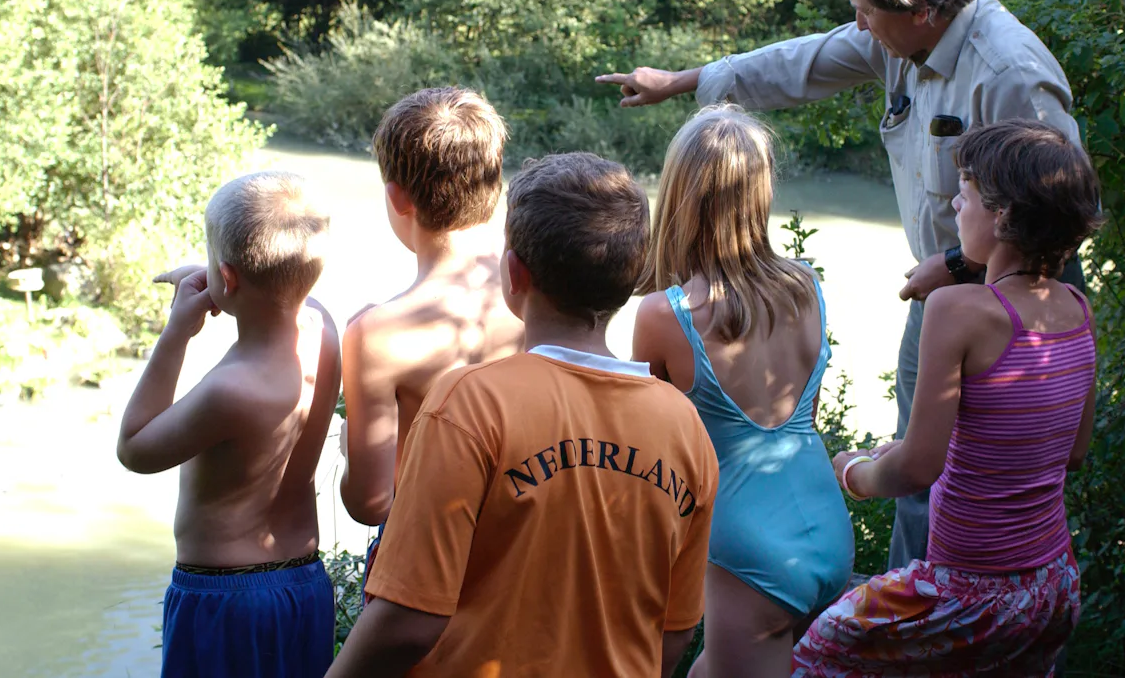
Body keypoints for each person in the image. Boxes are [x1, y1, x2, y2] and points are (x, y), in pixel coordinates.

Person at [597, 0, 1082, 569]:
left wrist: (959, 261)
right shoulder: (896, 39)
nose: (856, 26)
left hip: (1015, 300)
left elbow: (1069, 203)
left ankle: (972, 605)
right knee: (922, 483)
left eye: (863, 11)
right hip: (942, 294)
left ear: (917, 10)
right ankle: (921, 621)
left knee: (1001, 472)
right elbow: (798, 63)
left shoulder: (1011, 70)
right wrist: (679, 83)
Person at [325, 152, 719, 678]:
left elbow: (409, 620)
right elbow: (673, 632)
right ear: (631, 280)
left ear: (513, 273)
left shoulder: (468, 404)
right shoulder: (684, 426)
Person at [791, 119, 1102, 677]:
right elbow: (1071, 453)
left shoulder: (956, 309)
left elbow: (916, 470)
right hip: (1053, 585)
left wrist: (854, 472)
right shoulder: (1077, 309)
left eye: (967, 192)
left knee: (818, 652)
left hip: (967, 592)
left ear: (1003, 215)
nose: (956, 203)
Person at [632, 105, 856, 676]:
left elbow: (647, 447)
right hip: (827, 528)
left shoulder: (666, 313)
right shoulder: (806, 285)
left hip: (746, 549)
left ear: (680, 191)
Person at [116, 170, 339, 678]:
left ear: (228, 277)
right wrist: (227, 278)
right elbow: (276, 288)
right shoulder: (323, 329)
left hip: (226, 600)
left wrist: (178, 330)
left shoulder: (232, 389)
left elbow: (134, 448)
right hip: (304, 587)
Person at [337, 87, 523, 536]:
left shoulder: (377, 334)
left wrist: (348, 444)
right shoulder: (537, 291)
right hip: (522, 545)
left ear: (398, 198)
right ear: (496, 187)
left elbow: (370, 503)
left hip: (424, 552)